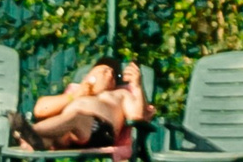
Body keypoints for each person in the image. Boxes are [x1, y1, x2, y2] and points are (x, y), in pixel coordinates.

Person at [11, 58, 154, 152]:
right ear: (88, 76)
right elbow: (40, 109)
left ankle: (27, 132)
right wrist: (75, 95)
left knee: (75, 117)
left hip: (100, 131)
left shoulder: (120, 94)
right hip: (67, 133)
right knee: (44, 140)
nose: (110, 74)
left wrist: (136, 85)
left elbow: (137, 115)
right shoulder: (76, 91)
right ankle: (30, 138)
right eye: (104, 71)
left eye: (114, 75)